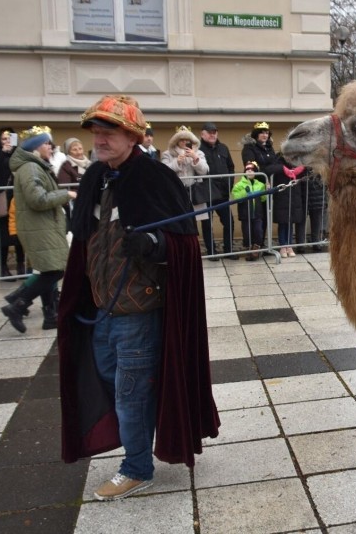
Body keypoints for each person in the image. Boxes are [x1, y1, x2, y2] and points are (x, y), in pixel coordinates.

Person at [58, 94, 220, 501]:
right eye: (96, 132)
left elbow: (183, 244)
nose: (99, 139)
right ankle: (139, 444)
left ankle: (136, 467)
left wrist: (152, 242)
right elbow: (84, 243)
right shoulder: (96, 176)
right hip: (101, 306)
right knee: (116, 383)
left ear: (131, 136)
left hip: (138, 309)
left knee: (129, 391)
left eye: (108, 132)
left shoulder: (153, 177)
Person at [0, 126, 74, 332]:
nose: (50, 147)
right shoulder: (31, 168)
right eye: (45, 143)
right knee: (55, 270)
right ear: (34, 147)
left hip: (42, 225)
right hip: (39, 226)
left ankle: (49, 316)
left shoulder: (35, 166)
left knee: (50, 269)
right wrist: (65, 195)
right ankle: (17, 304)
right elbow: (37, 199)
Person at [242, 121, 304, 258]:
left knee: (264, 218)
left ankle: (263, 246)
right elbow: (252, 165)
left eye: (266, 133)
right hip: (254, 188)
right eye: (261, 133)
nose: (264, 135)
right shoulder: (250, 148)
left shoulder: (269, 149)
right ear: (256, 135)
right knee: (256, 219)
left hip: (268, 188)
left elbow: (273, 166)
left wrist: (279, 169)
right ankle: (253, 247)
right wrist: (252, 169)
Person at [0, 127, 25, 279]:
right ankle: (2, 267)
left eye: (10, 138)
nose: (7, 142)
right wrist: (3, 153)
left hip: (18, 200)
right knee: (1, 235)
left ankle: (21, 265)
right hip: (1, 200)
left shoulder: (20, 156)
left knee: (20, 234)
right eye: (4, 139)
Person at [198, 122, 235, 259]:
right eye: (209, 132)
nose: (212, 134)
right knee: (207, 224)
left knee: (229, 222)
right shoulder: (199, 149)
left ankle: (229, 250)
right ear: (203, 134)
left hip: (223, 193)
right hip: (207, 193)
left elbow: (231, 167)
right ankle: (211, 251)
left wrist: (229, 184)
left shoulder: (223, 148)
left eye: (214, 132)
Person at [161, 126, 209, 214]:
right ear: (176, 141)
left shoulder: (199, 153)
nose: (185, 142)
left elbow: (205, 171)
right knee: (178, 217)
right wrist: (177, 162)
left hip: (194, 192)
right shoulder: (167, 154)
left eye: (187, 140)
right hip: (176, 192)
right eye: (181, 139)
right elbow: (163, 172)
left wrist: (195, 158)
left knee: (194, 219)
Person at [231, 162, 266, 261]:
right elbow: (236, 197)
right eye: (247, 170)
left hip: (257, 213)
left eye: (252, 170)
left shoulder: (260, 184)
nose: (250, 171)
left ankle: (256, 248)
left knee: (258, 231)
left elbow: (263, 198)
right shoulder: (239, 185)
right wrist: (245, 193)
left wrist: (267, 190)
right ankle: (248, 249)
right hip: (245, 214)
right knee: (247, 232)